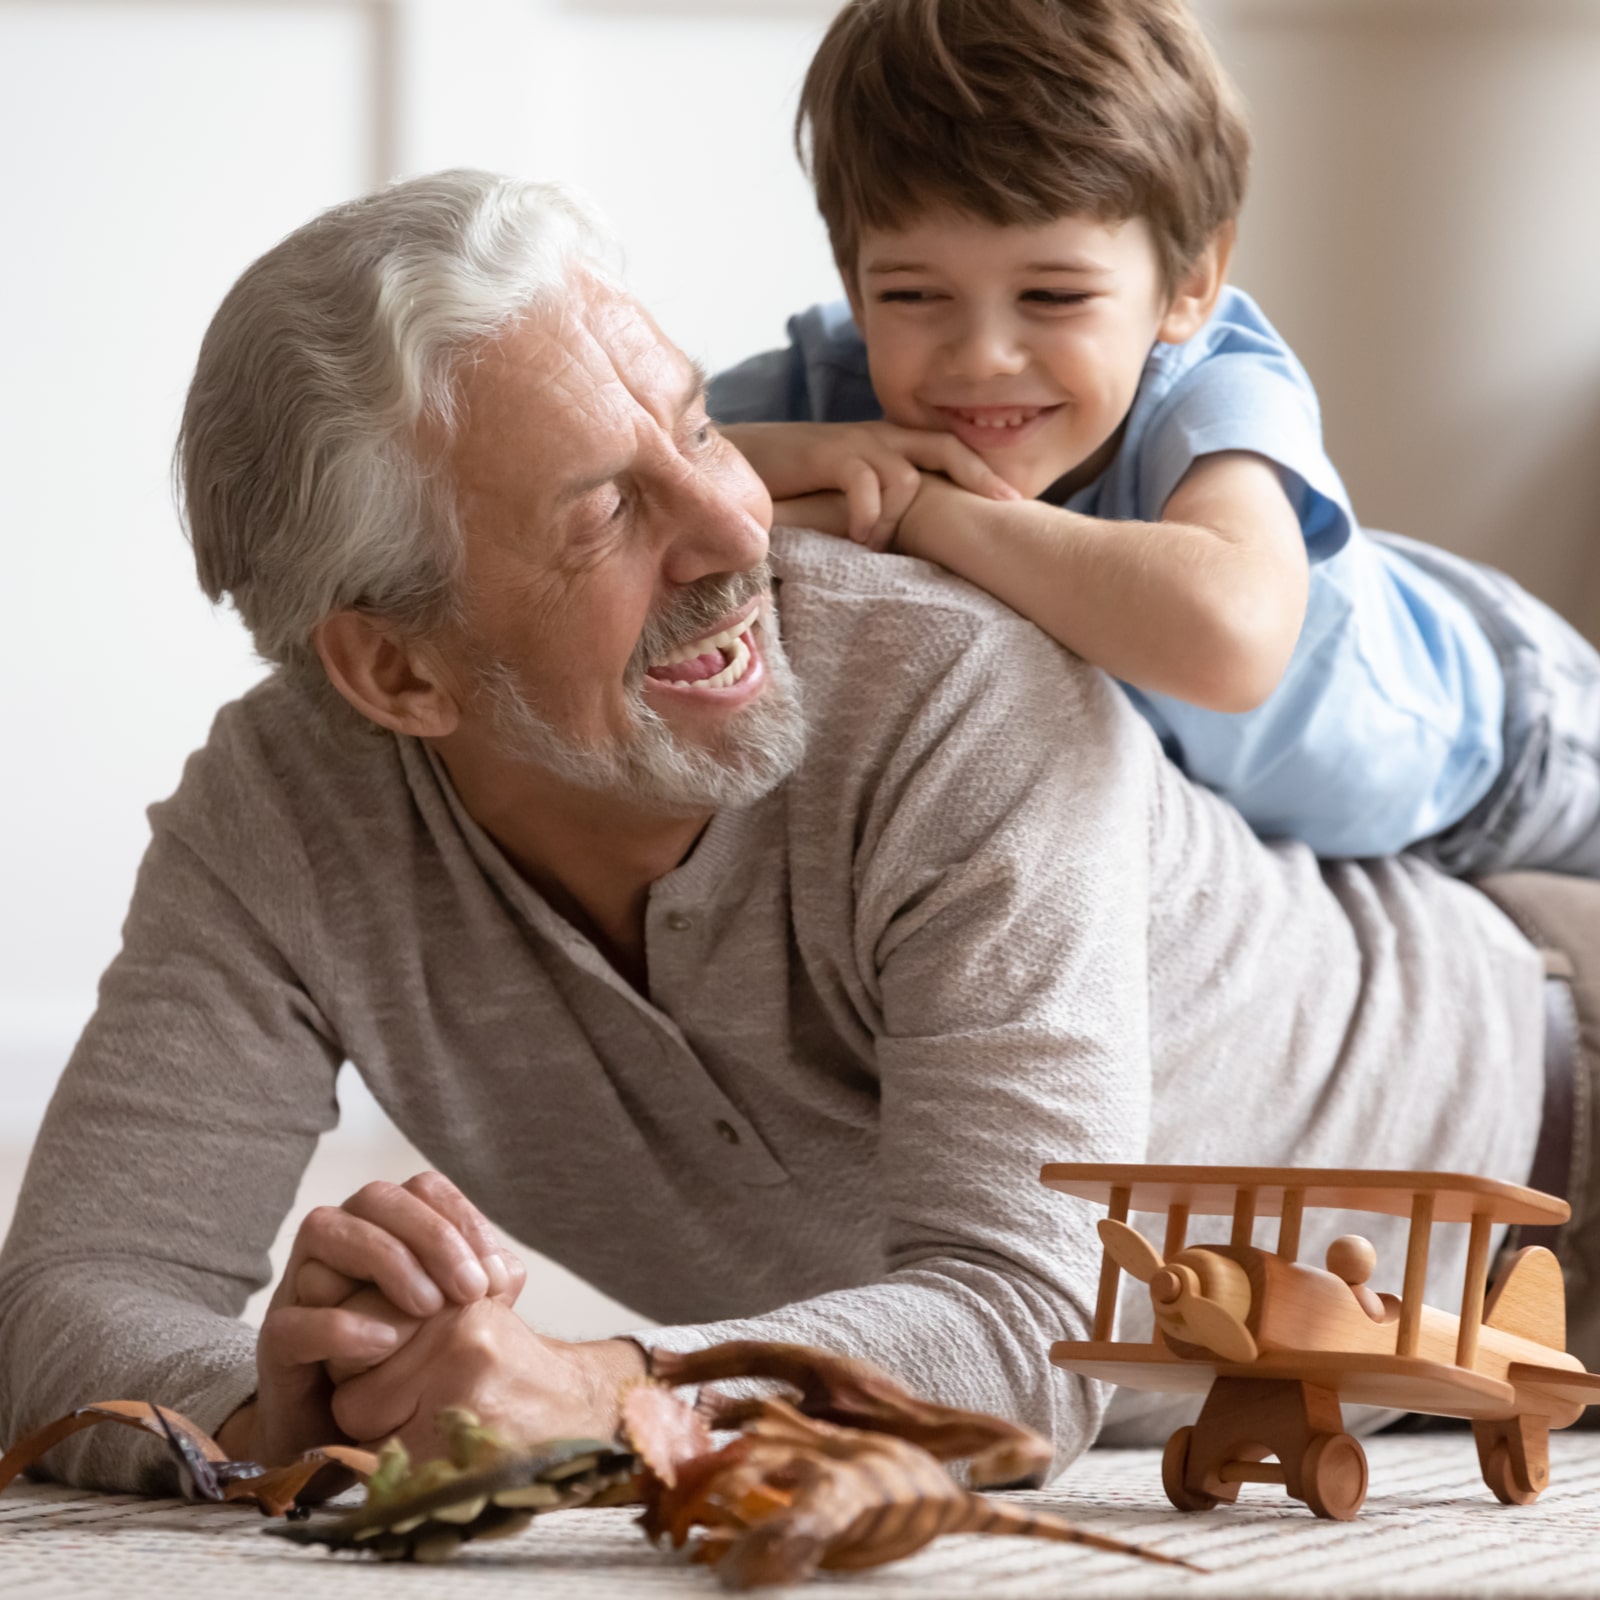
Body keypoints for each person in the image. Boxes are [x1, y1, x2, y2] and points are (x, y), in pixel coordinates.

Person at [0, 170, 1595, 1498]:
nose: (736, 528)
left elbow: (1027, 1332)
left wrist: (606, 1391)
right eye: (603, 513)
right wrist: (304, 1401)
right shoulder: (278, 818)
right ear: (397, 668)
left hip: (1551, 1129)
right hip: (1338, 1383)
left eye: (699, 433)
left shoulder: (955, 695)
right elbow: (69, 1301)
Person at [712, 0, 1600, 875]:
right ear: (854, 280)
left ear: (1189, 283)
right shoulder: (827, 382)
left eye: (1053, 296)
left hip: (1503, 753)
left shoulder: (1214, 384)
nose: (981, 356)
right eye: (911, 294)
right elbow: (605, 477)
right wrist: (779, 459)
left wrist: (922, 511)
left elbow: (1230, 638)